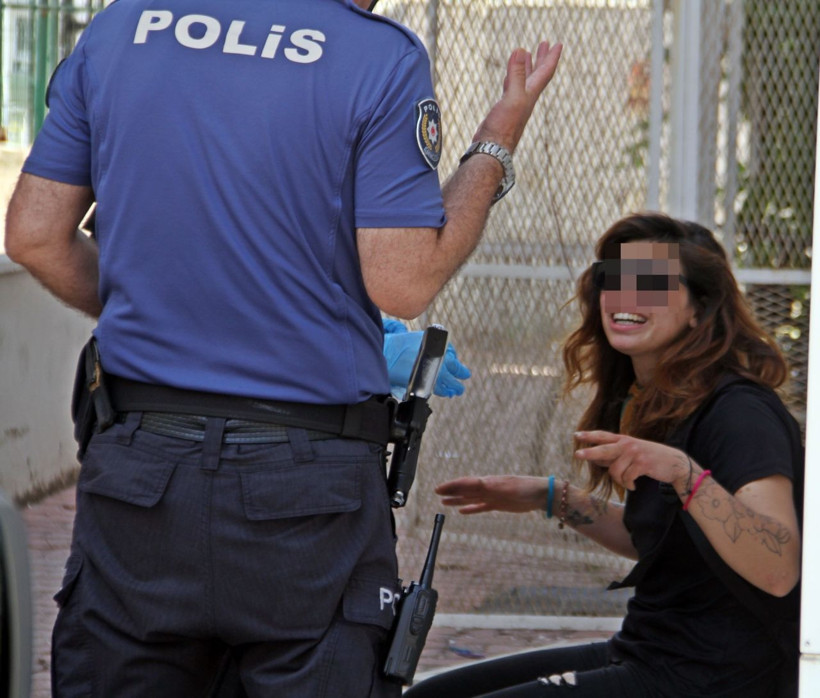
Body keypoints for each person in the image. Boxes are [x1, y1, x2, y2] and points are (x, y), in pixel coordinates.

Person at [3, 0, 562, 695]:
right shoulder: (376, 56)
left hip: (139, 479)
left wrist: (164, 315)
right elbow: (403, 279)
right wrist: (495, 143)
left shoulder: (124, 25)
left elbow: (32, 234)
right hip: (306, 499)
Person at [404, 212, 803, 698]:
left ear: (699, 307)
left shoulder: (740, 413)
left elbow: (780, 568)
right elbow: (658, 540)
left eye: (651, 284)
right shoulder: (662, 400)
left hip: (714, 677)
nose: (625, 297)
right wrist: (550, 496)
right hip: (649, 650)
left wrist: (685, 474)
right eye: (612, 280)